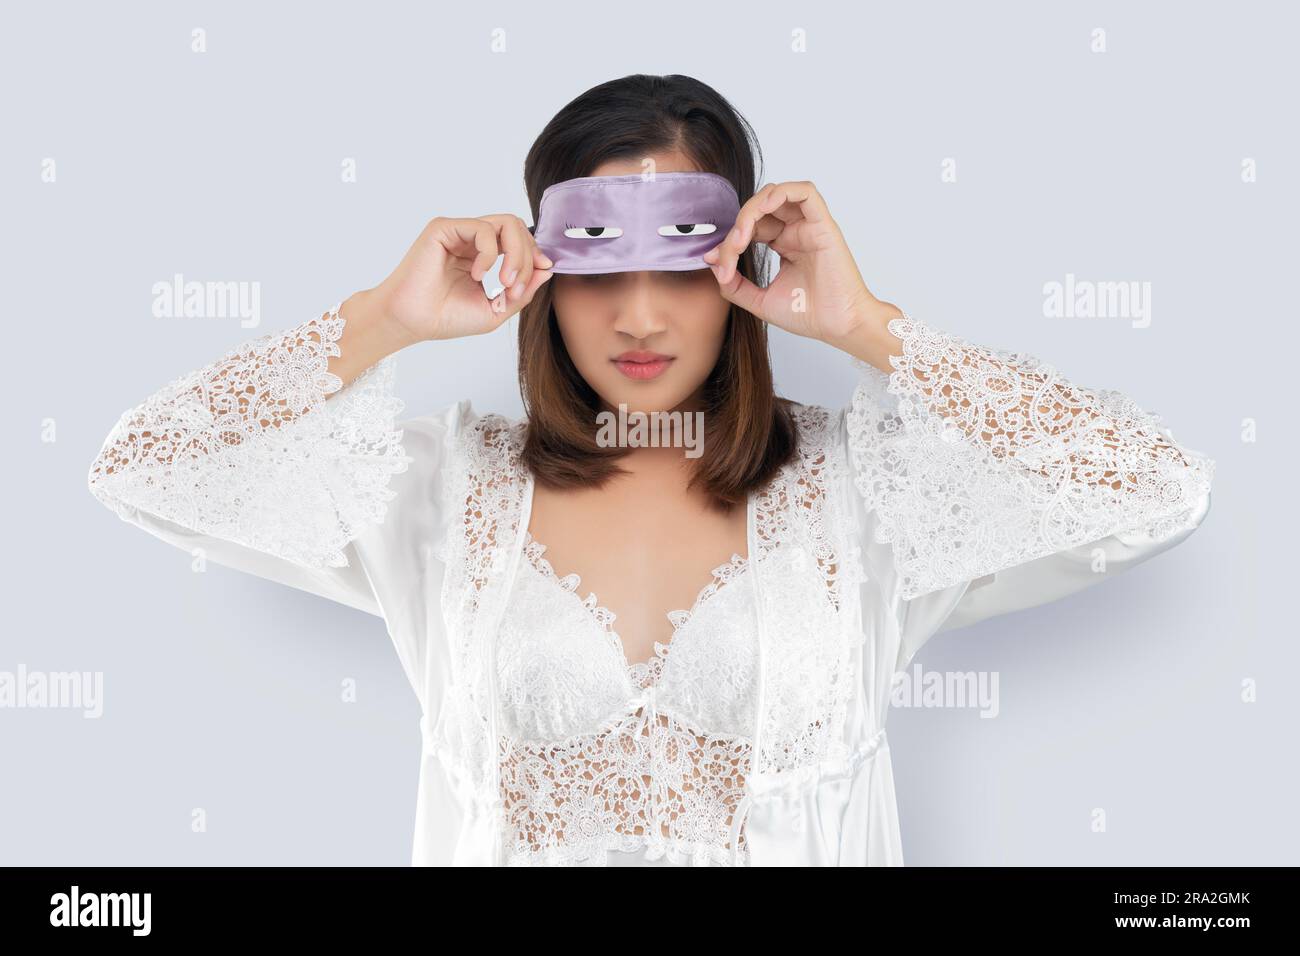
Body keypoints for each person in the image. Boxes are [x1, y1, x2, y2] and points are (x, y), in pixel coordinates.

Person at [86, 74, 1214, 866]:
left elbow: (1158, 487)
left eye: (678, 266)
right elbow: (140, 467)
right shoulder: (440, 494)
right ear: (534, 273)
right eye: (593, 267)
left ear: (741, 269)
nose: (636, 314)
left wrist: (870, 325)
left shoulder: (862, 490)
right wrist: (380, 321)